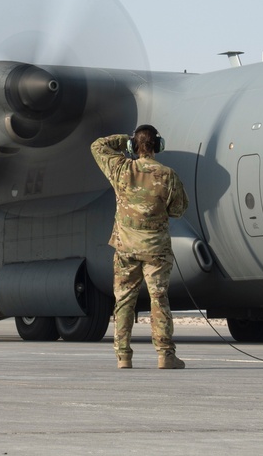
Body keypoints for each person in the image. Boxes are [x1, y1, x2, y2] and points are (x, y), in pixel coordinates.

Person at [91, 125, 189, 370]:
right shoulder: (168, 175)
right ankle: (165, 354)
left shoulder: (122, 169)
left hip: (126, 249)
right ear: (158, 146)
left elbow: (97, 146)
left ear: (134, 146)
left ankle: (123, 357)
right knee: (159, 299)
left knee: (124, 301)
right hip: (156, 250)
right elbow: (178, 210)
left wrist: (127, 140)